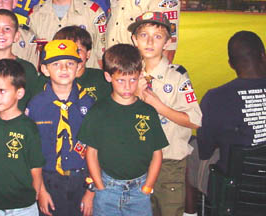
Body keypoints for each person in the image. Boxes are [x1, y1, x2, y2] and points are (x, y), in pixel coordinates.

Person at [78, 44, 169, 216]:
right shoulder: (98, 111)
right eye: (120, 80)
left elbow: (157, 152)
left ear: (140, 75)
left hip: (139, 192)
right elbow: (91, 152)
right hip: (107, 190)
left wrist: (148, 185)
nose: (127, 86)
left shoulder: (148, 112)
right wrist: (99, 185)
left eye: (133, 79)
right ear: (108, 76)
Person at [129, 12, 202, 216]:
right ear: (135, 39)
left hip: (169, 163)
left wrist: (156, 104)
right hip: (138, 162)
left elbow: (195, 120)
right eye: (144, 35)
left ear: (167, 42)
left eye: (158, 36)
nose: (150, 41)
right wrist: (132, 95)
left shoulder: (178, 76)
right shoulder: (128, 76)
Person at [187, 31, 266, 199]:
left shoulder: (216, 98)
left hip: (235, 188)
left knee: (188, 150)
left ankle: (190, 212)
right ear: (263, 56)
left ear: (231, 64)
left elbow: (205, 151)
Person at [26, 39, 96, 216]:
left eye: (70, 63)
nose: (64, 69)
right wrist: (41, 191)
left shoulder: (89, 104)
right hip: (48, 181)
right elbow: (31, 153)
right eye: (56, 64)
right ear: (44, 69)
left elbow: (98, 149)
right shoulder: (35, 106)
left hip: (82, 180)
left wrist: (91, 191)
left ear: (79, 67)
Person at [0, 59, 45, 216]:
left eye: (2, 91)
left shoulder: (28, 127)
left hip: (23, 206)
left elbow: (36, 167)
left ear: (19, 93)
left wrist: (34, 195)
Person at [27, 0, 106, 69]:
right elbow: (32, 58)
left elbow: (102, 58)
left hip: (87, 83)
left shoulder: (93, 13)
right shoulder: (36, 15)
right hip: (50, 83)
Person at [0, 9, 41, 113]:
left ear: (16, 36)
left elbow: (36, 105)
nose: (1, 33)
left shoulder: (28, 69)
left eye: (7, 29)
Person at [37, 25, 112, 102]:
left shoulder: (102, 79)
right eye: (66, 52)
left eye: (77, 51)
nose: (73, 56)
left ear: (88, 54)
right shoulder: (43, 81)